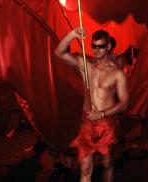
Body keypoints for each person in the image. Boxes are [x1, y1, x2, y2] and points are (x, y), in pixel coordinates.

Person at [55, 28, 129, 182]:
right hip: (87, 123)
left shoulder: (117, 73)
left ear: (108, 47)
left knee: (107, 164)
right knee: (86, 167)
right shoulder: (86, 66)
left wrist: (102, 114)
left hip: (106, 124)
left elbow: (124, 103)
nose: (97, 50)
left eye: (101, 46)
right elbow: (59, 53)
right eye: (94, 46)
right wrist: (73, 34)